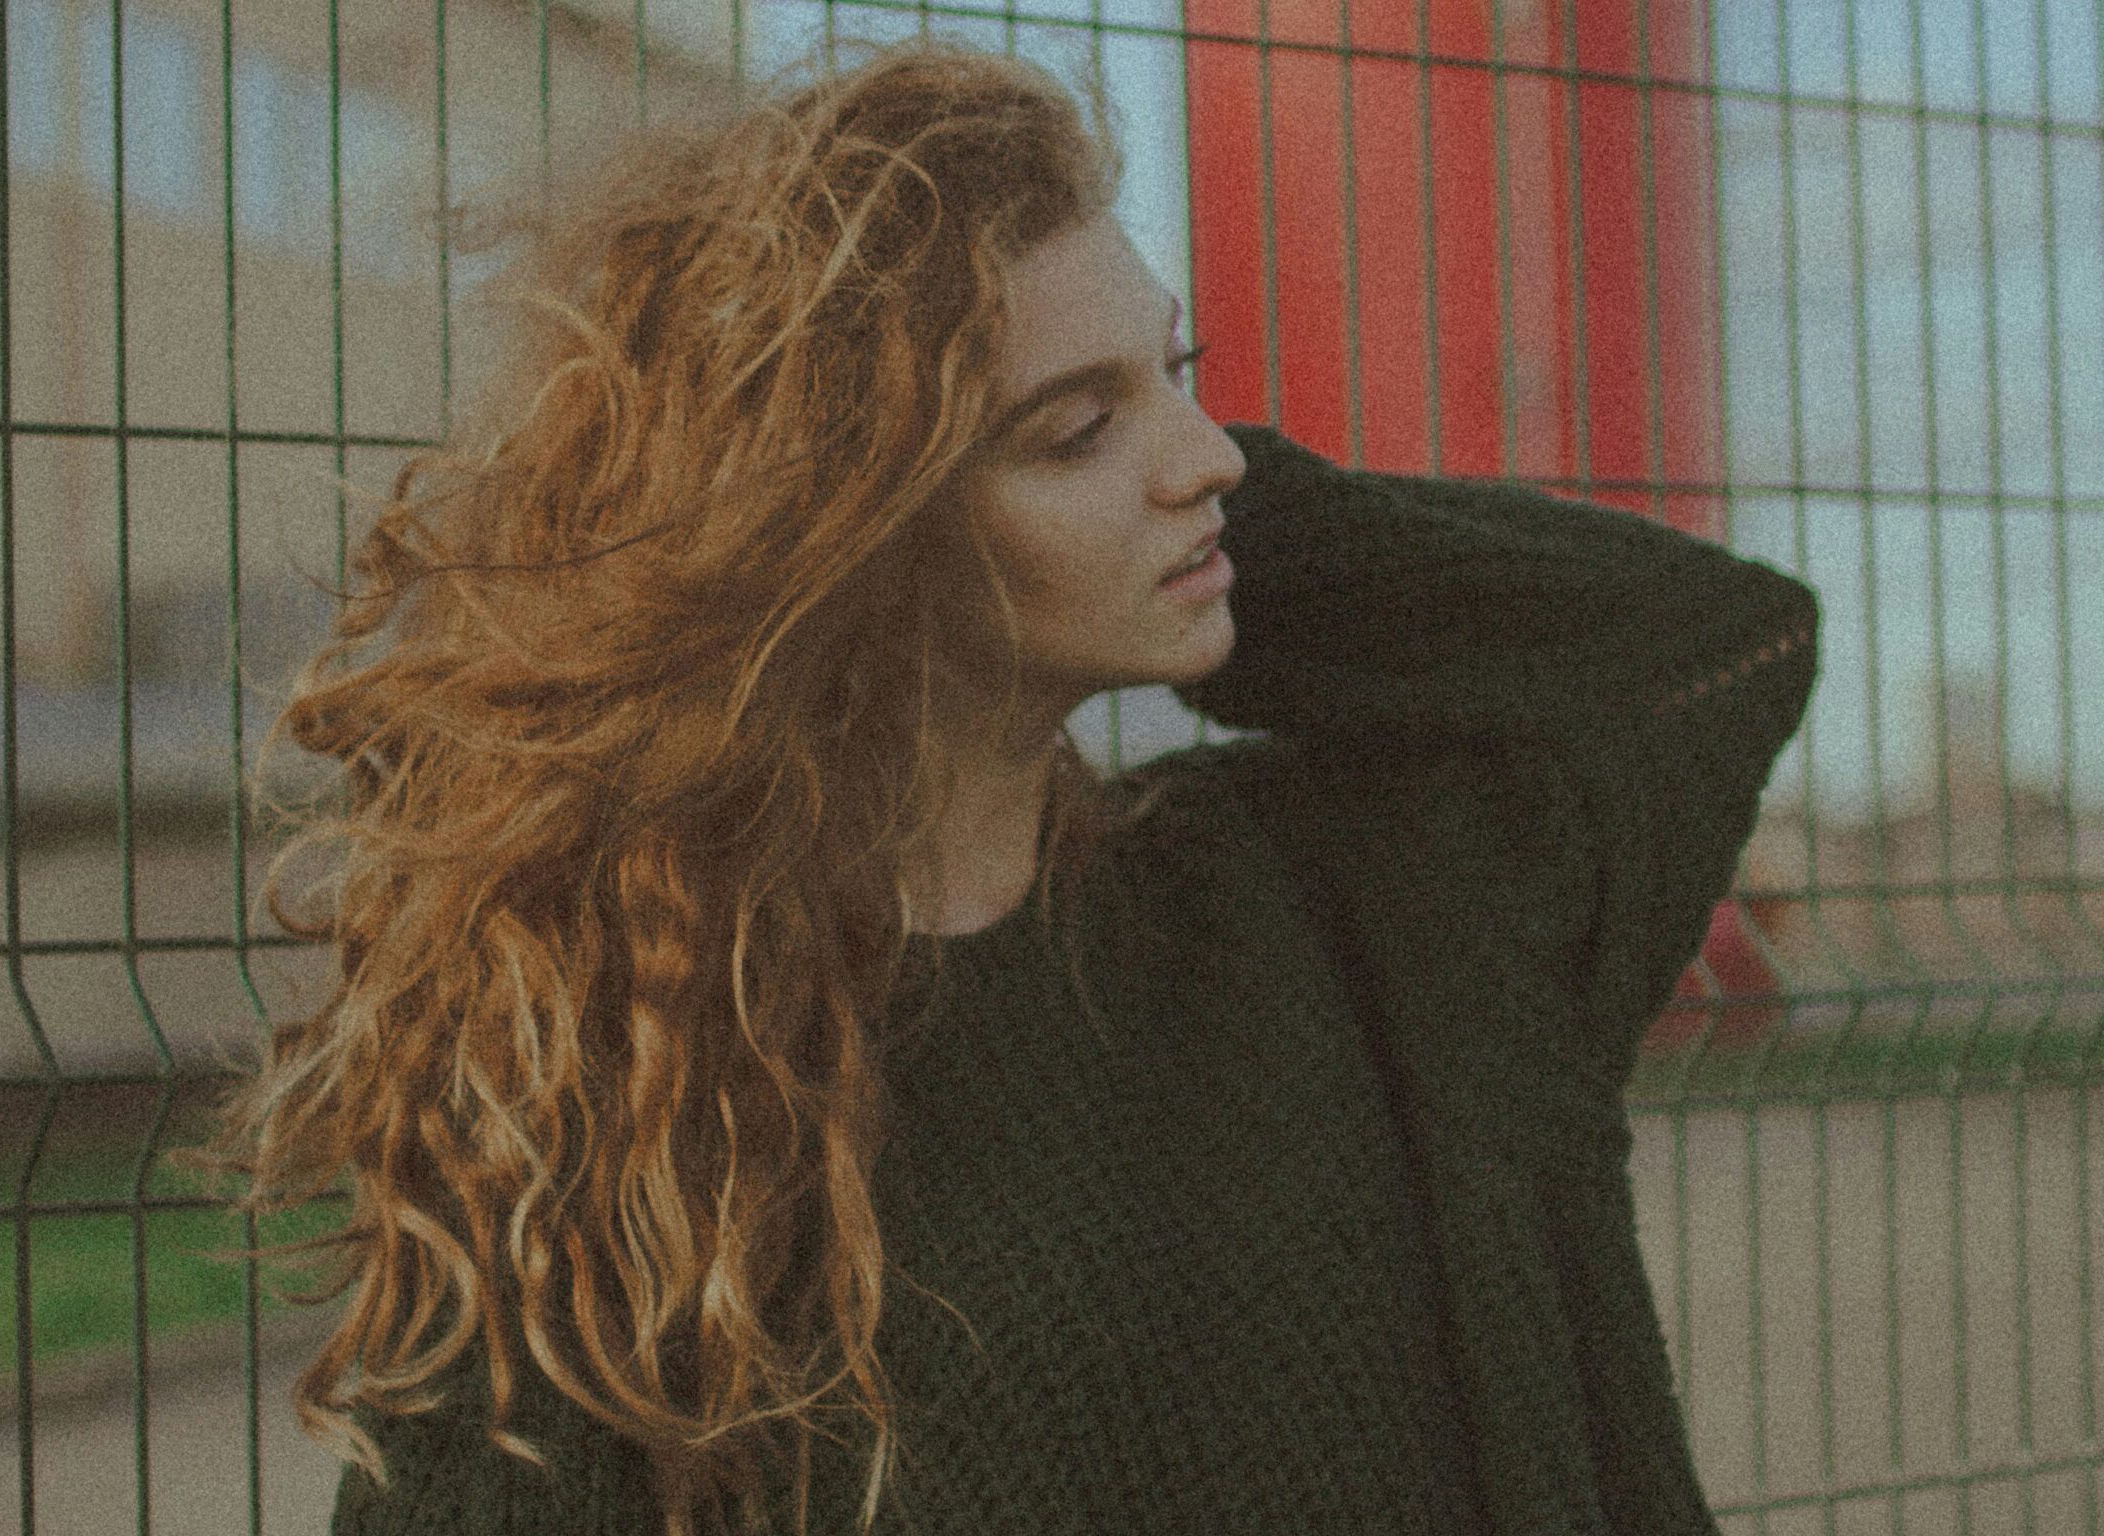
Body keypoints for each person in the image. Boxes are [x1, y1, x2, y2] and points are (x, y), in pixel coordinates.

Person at [187, 30, 1821, 1536]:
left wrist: (1198, 540)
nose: (1211, 454)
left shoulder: (1330, 901)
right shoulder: (630, 1095)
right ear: (847, 535)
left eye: (1176, 370)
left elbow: (1698, 654)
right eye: (1072, 431)